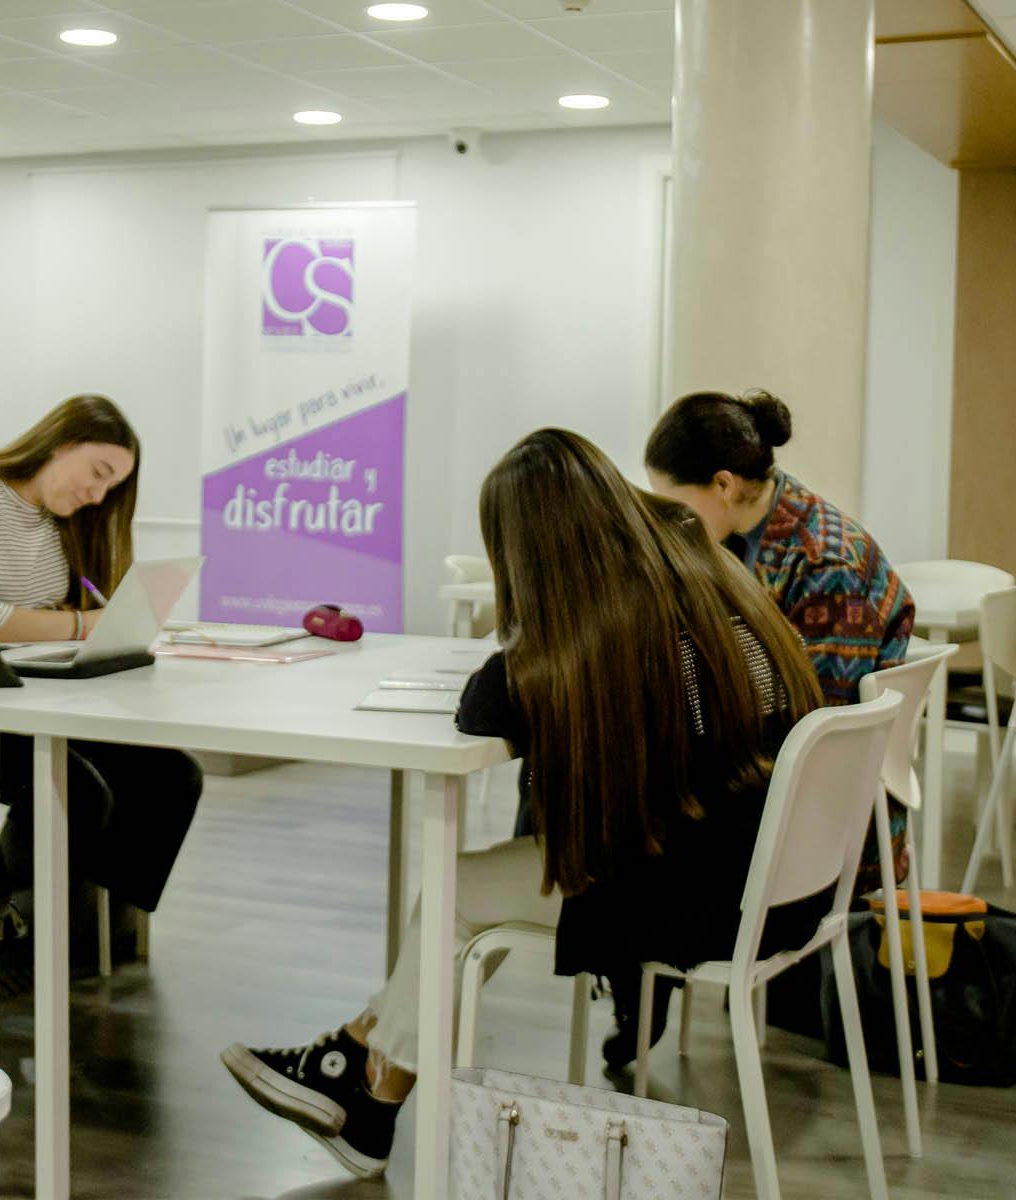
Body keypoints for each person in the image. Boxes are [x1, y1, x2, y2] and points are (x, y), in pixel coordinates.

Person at [221, 429, 825, 1180]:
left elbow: (484, 705)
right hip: (772, 880)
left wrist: (524, 629)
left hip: (698, 895)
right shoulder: (701, 571)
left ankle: (367, 1086)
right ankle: (362, 1065)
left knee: (457, 892)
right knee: (472, 888)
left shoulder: (609, 623)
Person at [0, 394, 202, 967]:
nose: (97, 496)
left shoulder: (64, 521)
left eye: (110, 486)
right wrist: (80, 624)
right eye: (97, 473)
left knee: (171, 776)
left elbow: (49, 617)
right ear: (60, 443)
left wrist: (102, 629)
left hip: (39, 697)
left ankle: (90, 934)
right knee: (77, 787)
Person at [644, 389, 914, 706]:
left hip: (815, 729)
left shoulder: (827, 564)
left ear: (724, 485)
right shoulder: (740, 529)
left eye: (676, 506)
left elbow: (823, 705)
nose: (674, 520)